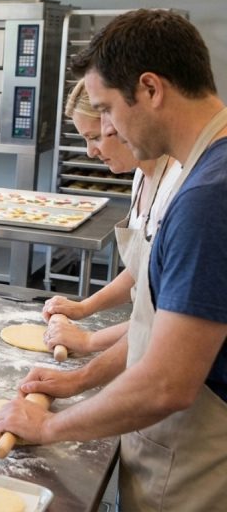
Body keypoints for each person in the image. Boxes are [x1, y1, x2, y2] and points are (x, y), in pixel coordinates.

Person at [0, 9, 227, 511]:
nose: (106, 129)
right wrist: (80, 378)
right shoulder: (207, 171)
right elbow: (159, 326)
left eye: (106, 110)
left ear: (150, 89)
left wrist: (50, 426)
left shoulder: (212, 195)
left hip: (195, 473)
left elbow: (168, 381)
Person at [41, 79, 180, 355]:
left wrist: (89, 340)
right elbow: (141, 267)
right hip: (141, 339)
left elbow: (164, 321)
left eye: (94, 137)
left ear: (120, 121)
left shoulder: (177, 189)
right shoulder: (142, 176)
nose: (91, 152)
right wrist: (84, 307)